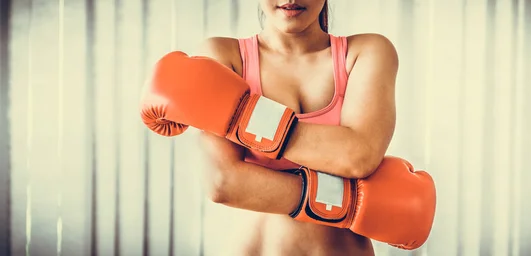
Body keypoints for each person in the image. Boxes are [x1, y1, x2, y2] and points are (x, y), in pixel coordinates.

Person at [140, 0, 435, 255]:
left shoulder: (366, 51)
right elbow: (223, 183)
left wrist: (242, 118)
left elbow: (358, 156)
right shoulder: (224, 55)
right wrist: (349, 202)